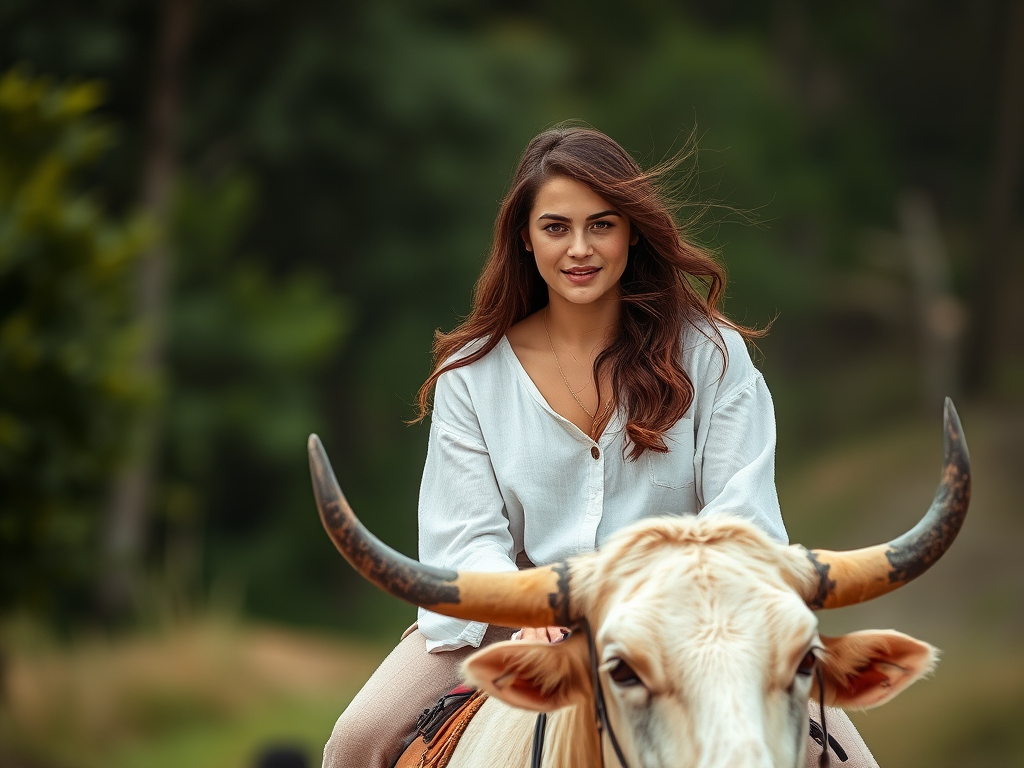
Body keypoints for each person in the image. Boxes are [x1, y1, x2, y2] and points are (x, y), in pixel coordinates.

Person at [323, 124, 878, 768]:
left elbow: (742, 519)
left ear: (632, 231)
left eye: (602, 224)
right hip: (514, 616)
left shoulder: (714, 356)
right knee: (353, 741)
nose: (579, 249)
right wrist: (528, 609)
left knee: (846, 758)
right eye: (556, 227)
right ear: (524, 239)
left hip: (694, 623)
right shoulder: (471, 377)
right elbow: (466, 536)